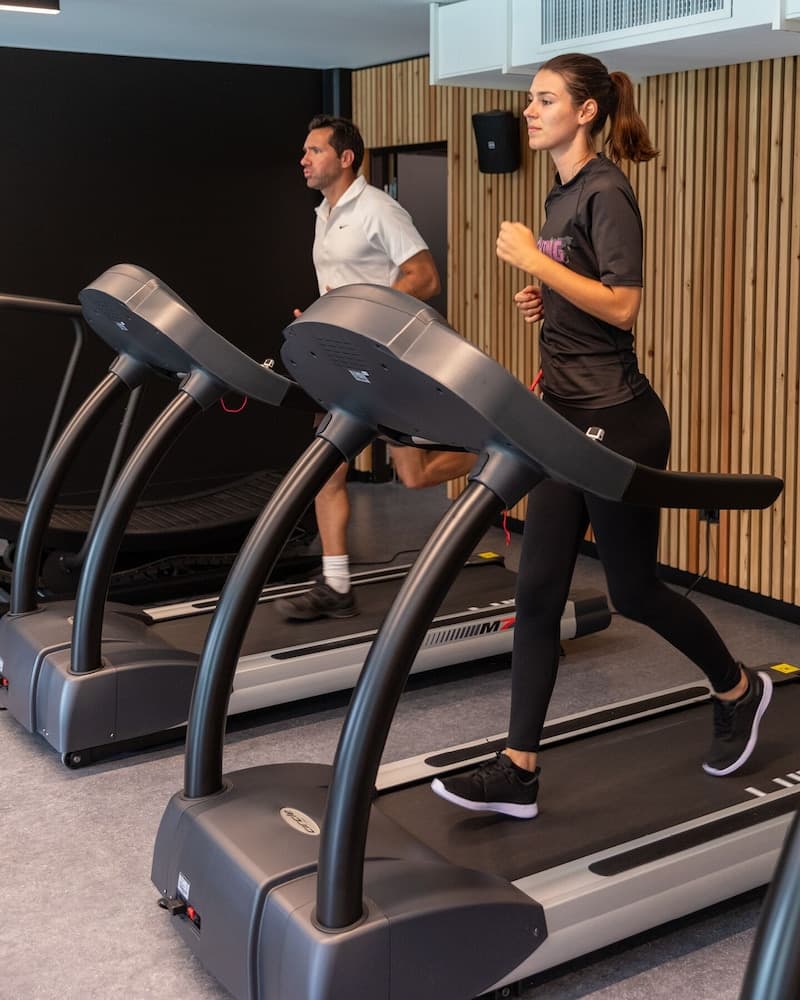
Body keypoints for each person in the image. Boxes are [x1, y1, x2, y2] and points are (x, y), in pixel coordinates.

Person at [431, 53, 773, 820]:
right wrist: (542, 295)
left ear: (586, 111)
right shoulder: (559, 193)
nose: (529, 110)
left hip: (618, 420)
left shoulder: (607, 190)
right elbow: (581, 290)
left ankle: (739, 689)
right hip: (562, 414)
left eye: (544, 99)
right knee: (537, 589)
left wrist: (537, 263)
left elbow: (623, 305)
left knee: (634, 591)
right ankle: (519, 769)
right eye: (530, 100)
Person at [276, 114, 474, 622]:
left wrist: (363, 315)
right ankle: (336, 584)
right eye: (305, 151)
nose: (304, 159)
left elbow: (424, 277)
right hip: (339, 359)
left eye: (314, 150)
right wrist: (322, 317)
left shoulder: (379, 209)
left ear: (345, 158)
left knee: (414, 475)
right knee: (325, 470)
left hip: (382, 360)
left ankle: (501, 457)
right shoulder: (324, 213)